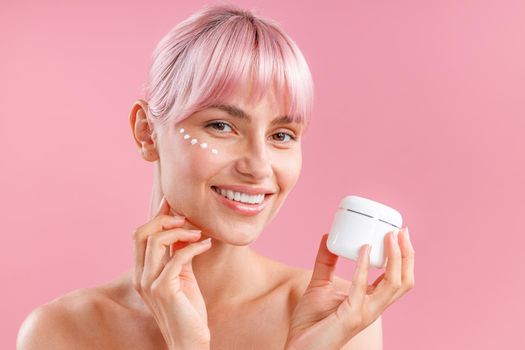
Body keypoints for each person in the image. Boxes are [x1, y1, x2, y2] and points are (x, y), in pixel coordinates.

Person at [17, 4, 415, 350]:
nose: (258, 167)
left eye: (281, 135)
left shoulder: (337, 318)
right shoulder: (62, 332)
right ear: (146, 131)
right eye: (222, 126)